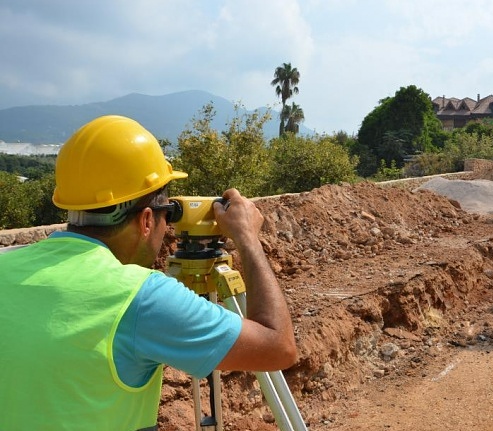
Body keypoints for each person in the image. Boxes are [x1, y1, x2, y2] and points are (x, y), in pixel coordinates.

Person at [0, 115, 297, 430]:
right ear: (145, 220)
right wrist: (247, 237)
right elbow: (279, 347)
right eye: (166, 213)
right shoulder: (140, 296)